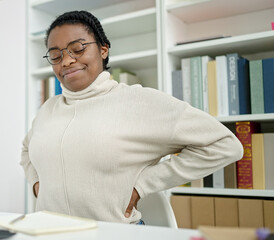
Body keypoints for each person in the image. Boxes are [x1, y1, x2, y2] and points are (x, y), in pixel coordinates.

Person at [20, 10, 243, 225]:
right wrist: (38, 184)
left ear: (103, 49)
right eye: (56, 55)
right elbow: (27, 149)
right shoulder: (49, 109)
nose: (66, 61)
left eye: (77, 49)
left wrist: (143, 185)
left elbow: (225, 144)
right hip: (48, 232)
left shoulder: (139, 102)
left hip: (111, 234)